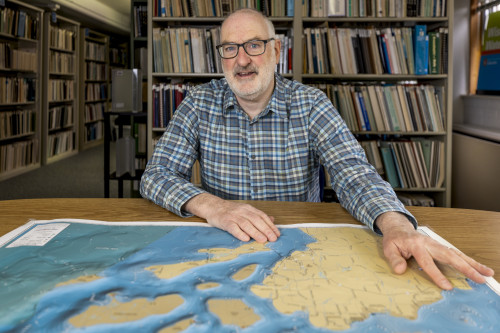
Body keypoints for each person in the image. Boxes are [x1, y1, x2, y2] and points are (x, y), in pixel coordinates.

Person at [140, 8, 494, 290]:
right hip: (219, 246)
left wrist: (395, 225)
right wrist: (214, 207)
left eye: (253, 45)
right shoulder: (199, 103)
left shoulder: (311, 104)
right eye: (229, 48)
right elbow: (156, 175)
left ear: (276, 50)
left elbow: (353, 173)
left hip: (298, 249)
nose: (242, 60)